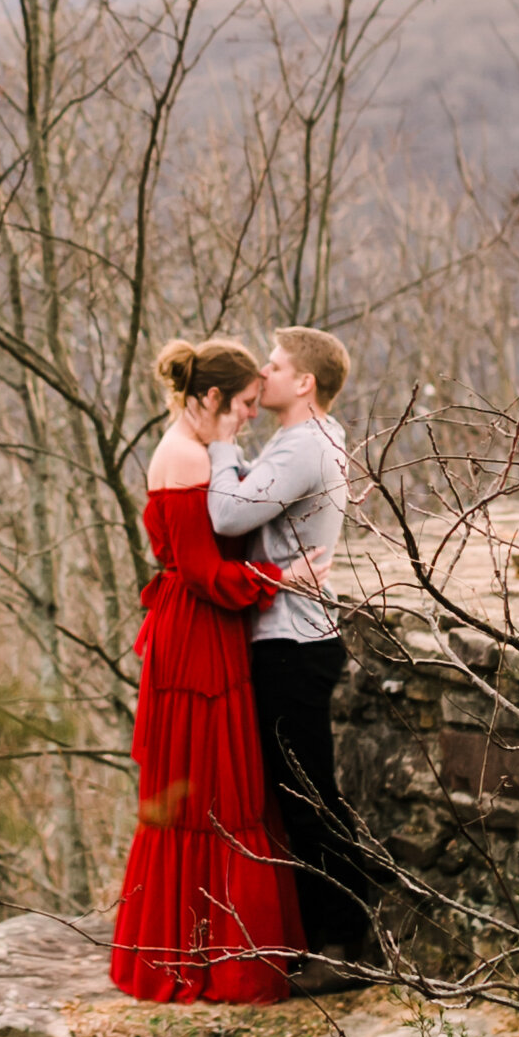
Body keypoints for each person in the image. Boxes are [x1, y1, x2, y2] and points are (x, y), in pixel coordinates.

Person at [107, 339, 305, 1005]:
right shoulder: (185, 457)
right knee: (214, 794)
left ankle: (211, 951)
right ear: (214, 397)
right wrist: (284, 575)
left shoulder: (196, 450)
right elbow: (202, 573)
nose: (250, 414)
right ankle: (209, 960)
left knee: (218, 792)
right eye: (244, 403)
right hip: (197, 639)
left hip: (199, 633)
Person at [209, 327, 363, 973]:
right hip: (292, 637)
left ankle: (345, 947)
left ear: (304, 383)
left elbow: (228, 516)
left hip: (292, 644)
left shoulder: (305, 446)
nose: (262, 374)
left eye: (273, 366)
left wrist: (220, 448)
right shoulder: (300, 441)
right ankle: (316, 940)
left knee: (307, 800)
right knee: (297, 796)